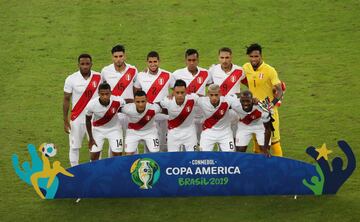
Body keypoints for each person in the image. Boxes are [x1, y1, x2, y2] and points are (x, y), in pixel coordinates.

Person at [243, 43, 284, 156]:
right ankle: (259, 168)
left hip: (268, 111)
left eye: (256, 56)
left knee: (274, 141)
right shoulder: (246, 67)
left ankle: (281, 168)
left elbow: (280, 90)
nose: (254, 59)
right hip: (254, 111)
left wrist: (271, 105)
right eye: (251, 56)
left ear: (261, 56)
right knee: (257, 141)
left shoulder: (270, 70)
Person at [63, 54, 101, 166]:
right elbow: (66, 99)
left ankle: (94, 171)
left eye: (87, 64)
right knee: (74, 147)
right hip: (77, 119)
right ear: (78, 64)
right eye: (82, 64)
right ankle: (75, 172)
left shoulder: (98, 77)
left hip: (94, 119)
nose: (85, 66)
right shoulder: (71, 79)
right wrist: (65, 120)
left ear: (91, 64)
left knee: (95, 147)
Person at [170, 49, 211, 142]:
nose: (191, 63)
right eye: (189, 60)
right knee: (188, 141)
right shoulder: (177, 74)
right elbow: (173, 90)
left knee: (202, 142)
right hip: (185, 115)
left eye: (194, 60)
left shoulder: (206, 73)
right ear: (185, 60)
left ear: (198, 60)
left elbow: (211, 86)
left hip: (202, 114)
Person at [134, 51, 171, 152]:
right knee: (150, 147)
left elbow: (178, 89)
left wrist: (172, 95)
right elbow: (136, 91)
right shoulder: (141, 75)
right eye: (150, 62)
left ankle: (165, 167)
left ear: (159, 61)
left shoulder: (167, 75)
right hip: (149, 117)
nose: (153, 64)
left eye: (155, 61)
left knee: (165, 145)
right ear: (147, 62)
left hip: (164, 116)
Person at [85, 82, 126, 161]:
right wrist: (91, 138)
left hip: (115, 129)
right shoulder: (91, 104)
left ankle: (114, 172)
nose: (105, 96)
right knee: (94, 156)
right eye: (102, 94)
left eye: (107, 94)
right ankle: (95, 173)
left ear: (110, 93)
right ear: (98, 94)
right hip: (98, 130)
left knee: (118, 155)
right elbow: (87, 120)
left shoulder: (118, 101)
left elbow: (127, 102)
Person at [160, 79, 199, 152]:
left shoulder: (193, 98)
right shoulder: (167, 101)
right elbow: (157, 107)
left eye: (182, 92)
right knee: (173, 158)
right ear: (173, 92)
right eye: (177, 92)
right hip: (173, 133)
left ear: (186, 91)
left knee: (192, 156)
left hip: (190, 132)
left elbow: (205, 99)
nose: (180, 95)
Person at [197, 84, 238, 152]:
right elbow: (188, 99)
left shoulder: (227, 100)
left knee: (230, 156)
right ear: (208, 94)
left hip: (225, 133)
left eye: (216, 95)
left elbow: (240, 98)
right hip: (208, 132)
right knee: (203, 156)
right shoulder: (202, 101)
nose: (214, 98)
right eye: (211, 95)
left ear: (220, 93)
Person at [232, 90, 272, 157]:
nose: (245, 104)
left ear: (252, 100)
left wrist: (265, 149)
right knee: (239, 152)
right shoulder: (234, 104)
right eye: (243, 101)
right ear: (240, 100)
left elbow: (268, 129)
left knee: (265, 152)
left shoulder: (262, 109)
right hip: (244, 126)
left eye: (248, 101)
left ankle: (263, 166)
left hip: (260, 126)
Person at [120, 90, 161, 155]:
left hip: (150, 131)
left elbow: (166, 106)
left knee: (155, 153)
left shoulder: (154, 108)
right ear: (134, 101)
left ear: (146, 100)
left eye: (143, 101)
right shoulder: (127, 108)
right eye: (138, 102)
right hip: (133, 132)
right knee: (128, 154)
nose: (140, 104)